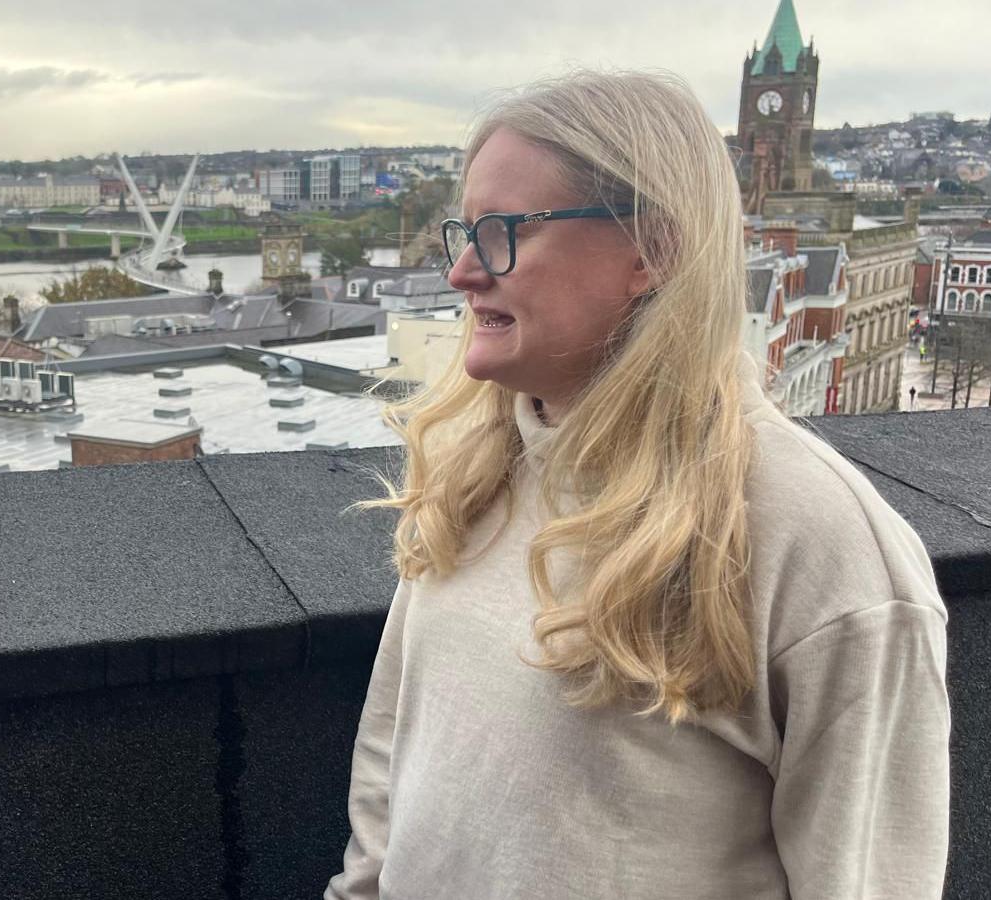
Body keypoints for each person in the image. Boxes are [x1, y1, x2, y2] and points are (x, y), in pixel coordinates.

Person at [326, 71, 948, 899]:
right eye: (463, 232)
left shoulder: (816, 539)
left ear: (652, 253)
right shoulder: (477, 469)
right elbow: (392, 759)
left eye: (504, 230)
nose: (464, 272)